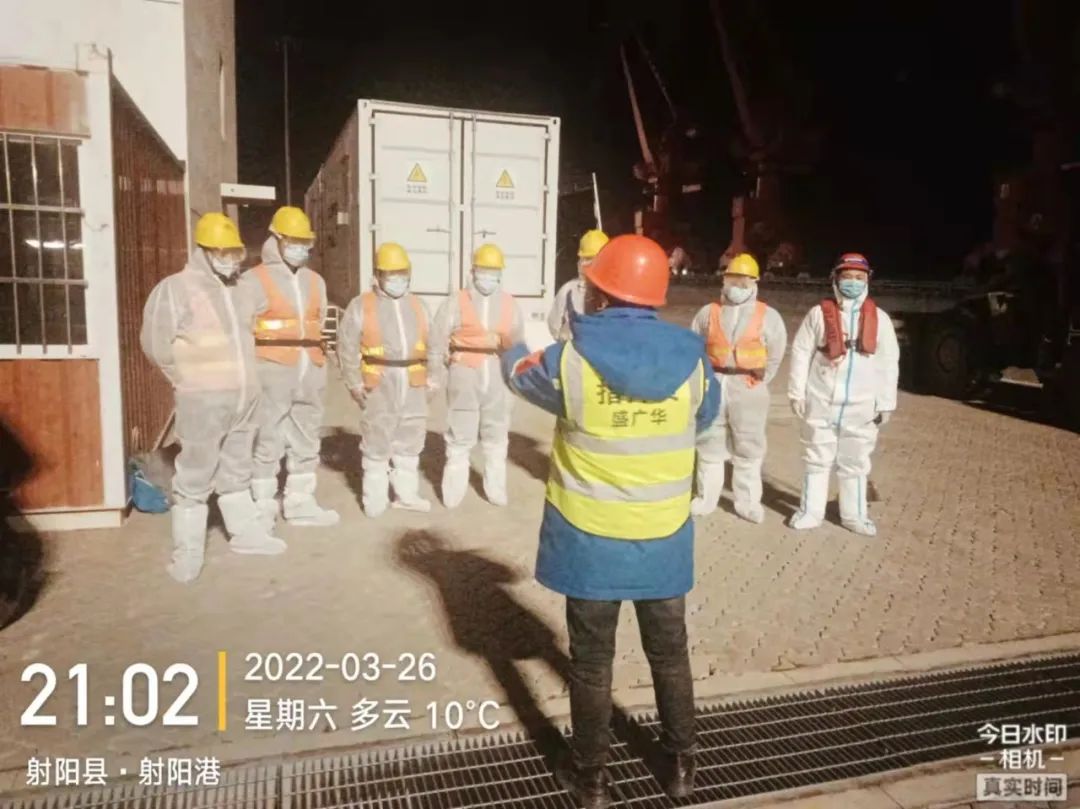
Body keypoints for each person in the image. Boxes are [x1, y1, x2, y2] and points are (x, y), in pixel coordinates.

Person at [501, 234, 721, 808]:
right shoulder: (692, 360)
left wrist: (513, 338)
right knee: (670, 655)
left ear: (597, 293)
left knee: (592, 663)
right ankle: (680, 768)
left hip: (590, 542)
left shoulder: (569, 360)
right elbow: (705, 417)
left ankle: (592, 780)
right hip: (662, 540)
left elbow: (519, 373)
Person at [140, 212, 286, 583]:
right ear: (203, 251)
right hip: (202, 400)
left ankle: (245, 534)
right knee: (195, 474)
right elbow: (155, 344)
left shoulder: (242, 289)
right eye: (221, 252)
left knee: (237, 468)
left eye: (234, 252)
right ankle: (188, 553)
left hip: (243, 400)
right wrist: (184, 379)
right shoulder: (175, 289)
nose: (229, 259)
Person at [238, 206, 338, 529]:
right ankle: (262, 507)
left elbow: (319, 322)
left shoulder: (315, 281)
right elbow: (241, 329)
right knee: (267, 436)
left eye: (304, 242)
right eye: (293, 241)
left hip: (310, 370)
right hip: (271, 369)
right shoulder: (253, 280)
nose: (300, 248)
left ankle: (300, 502)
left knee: (307, 435)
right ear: (276, 239)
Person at [787, 252, 900, 536]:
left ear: (868, 280)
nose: (853, 282)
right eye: (847, 277)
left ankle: (855, 515)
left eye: (859, 277)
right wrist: (796, 392)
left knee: (855, 461)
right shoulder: (818, 315)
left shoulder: (880, 319)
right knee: (816, 458)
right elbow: (801, 352)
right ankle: (811, 512)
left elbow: (889, 362)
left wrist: (886, 402)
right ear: (835, 279)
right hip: (821, 399)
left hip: (862, 405)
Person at [689, 252, 787, 522]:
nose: (737, 287)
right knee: (709, 442)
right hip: (714, 382)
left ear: (754, 283)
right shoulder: (708, 313)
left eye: (743, 282)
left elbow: (776, 353)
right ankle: (706, 499)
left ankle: (747, 503)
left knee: (748, 446)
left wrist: (760, 381)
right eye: (732, 280)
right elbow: (694, 346)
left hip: (748, 386)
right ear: (724, 280)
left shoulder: (768, 316)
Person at [337, 242, 432, 516]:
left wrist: (434, 378)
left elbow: (435, 345)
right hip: (379, 381)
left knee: (410, 440)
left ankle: (406, 495)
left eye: (402, 274)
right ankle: (374, 499)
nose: (397, 280)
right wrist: (354, 382)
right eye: (391, 274)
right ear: (378, 275)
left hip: (413, 380)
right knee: (377, 438)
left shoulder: (419, 305)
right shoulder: (361, 305)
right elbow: (346, 347)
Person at [429, 243, 524, 507]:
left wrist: (516, 381)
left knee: (496, 435)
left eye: (494, 272)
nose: (488, 277)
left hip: (498, 373)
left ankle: (495, 490)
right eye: (484, 271)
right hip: (464, 373)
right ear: (473, 271)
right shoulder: (455, 301)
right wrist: (435, 376)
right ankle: (453, 492)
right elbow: (437, 340)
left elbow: (518, 344)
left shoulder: (510, 304)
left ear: (501, 274)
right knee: (460, 434)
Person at [548, 229, 609, 341]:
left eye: (590, 259)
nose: (584, 263)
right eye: (583, 259)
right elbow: (554, 326)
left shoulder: (613, 293)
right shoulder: (568, 290)